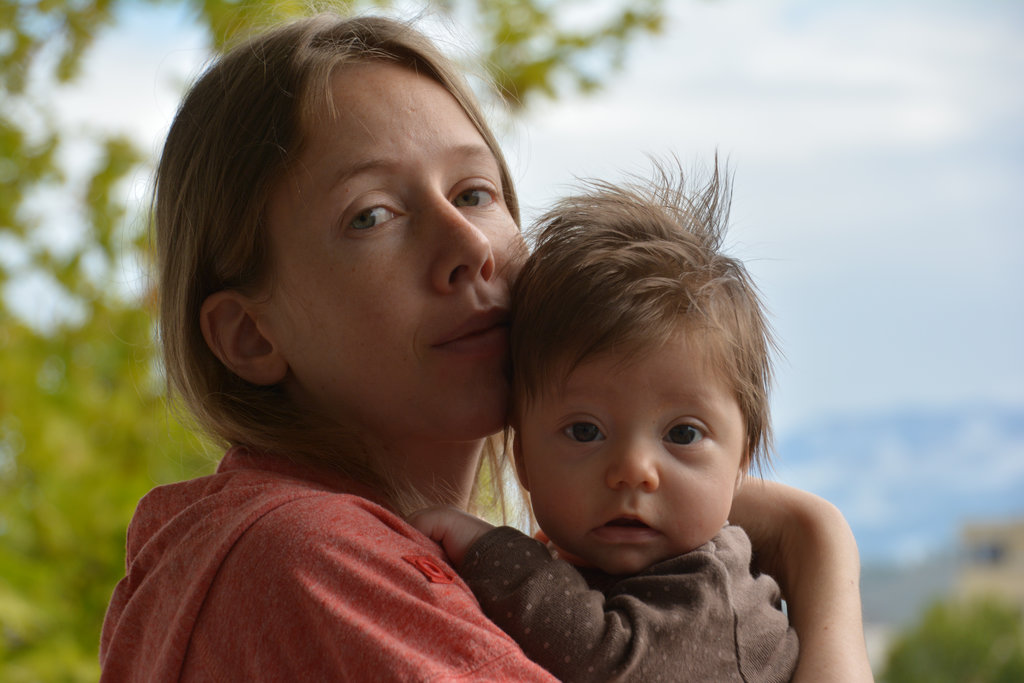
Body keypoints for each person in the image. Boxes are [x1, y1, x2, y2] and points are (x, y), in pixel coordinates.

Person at [98, 13, 872, 682]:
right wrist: (817, 550)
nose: (470, 245)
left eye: (475, 193)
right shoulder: (312, 562)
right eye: (372, 215)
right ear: (250, 334)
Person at [410, 165, 799, 682]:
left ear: (741, 460)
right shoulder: (594, 563)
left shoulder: (711, 589)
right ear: (522, 457)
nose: (633, 471)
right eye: (585, 431)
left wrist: (486, 549)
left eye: (682, 434)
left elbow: (605, 660)